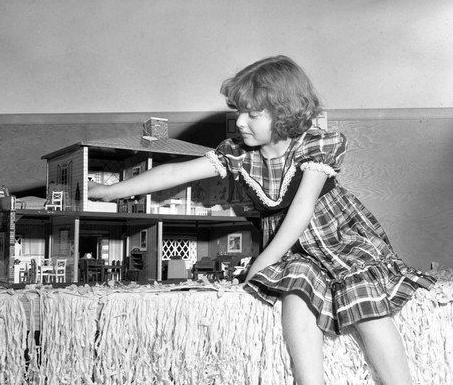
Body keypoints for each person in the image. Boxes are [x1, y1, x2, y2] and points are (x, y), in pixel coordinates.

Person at [88, 55, 436, 384]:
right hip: (294, 248)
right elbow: (176, 172)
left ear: (284, 113)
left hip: (335, 235)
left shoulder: (315, 145)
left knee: (363, 297)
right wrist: (112, 191)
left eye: (252, 115)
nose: (240, 122)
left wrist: (265, 259)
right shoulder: (238, 154)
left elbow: (301, 209)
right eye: (240, 112)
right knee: (296, 292)